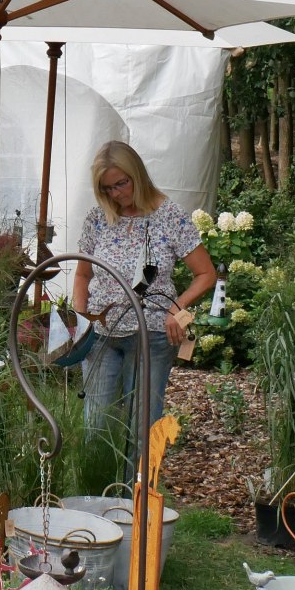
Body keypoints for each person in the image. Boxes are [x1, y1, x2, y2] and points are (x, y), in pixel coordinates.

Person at [72, 140, 216, 436]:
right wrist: (79, 317)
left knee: (141, 430)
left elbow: (205, 274)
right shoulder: (98, 218)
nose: (116, 193)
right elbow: (82, 275)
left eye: (121, 184)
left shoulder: (169, 216)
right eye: (107, 188)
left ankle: (139, 484)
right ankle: (98, 483)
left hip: (151, 336)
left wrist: (177, 308)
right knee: (96, 428)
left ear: (136, 174)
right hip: (101, 335)